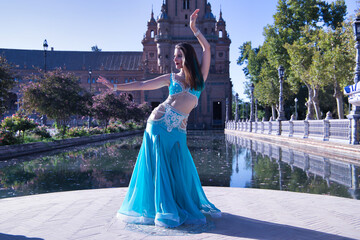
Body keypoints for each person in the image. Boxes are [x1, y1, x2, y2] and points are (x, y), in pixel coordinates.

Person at [97, 9, 221, 228]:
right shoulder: (171, 78)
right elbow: (143, 85)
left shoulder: (200, 79)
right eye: (173, 56)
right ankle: (162, 211)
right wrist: (115, 86)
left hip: (179, 131)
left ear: (187, 57)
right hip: (158, 125)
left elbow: (208, 47)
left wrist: (194, 29)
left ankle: (173, 206)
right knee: (161, 169)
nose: (174, 59)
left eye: (178, 55)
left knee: (180, 171)